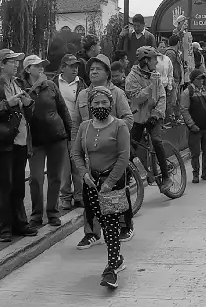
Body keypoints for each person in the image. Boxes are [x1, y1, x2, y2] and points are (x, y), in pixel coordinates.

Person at [71, 87, 130, 289]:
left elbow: (124, 157)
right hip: (91, 184)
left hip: (111, 184)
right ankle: (118, 257)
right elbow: (76, 153)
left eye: (104, 102)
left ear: (111, 104)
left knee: (112, 225)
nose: (100, 106)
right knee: (104, 224)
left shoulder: (119, 126)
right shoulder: (84, 127)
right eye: (96, 103)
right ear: (90, 105)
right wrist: (84, 174)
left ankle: (111, 269)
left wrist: (109, 182)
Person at [75, 54, 135, 249]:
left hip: (113, 153)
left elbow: (128, 118)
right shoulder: (84, 95)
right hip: (89, 154)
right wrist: (75, 147)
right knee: (89, 195)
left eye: (98, 69)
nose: (93, 72)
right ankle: (92, 232)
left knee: (117, 191)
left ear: (107, 73)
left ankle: (125, 225)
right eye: (91, 69)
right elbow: (77, 124)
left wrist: (113, 133)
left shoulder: (116, 93)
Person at [20, 55, 71, 229]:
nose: (42, 67)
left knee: (55, 177)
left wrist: (70, 134)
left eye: (43, 65)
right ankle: (36, 215)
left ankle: (53, 213)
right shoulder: (22, 88)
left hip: (57, 137)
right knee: (36, 178)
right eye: (37, 65)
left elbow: (63, 109)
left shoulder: (51, 85)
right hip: (36, 141)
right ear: (28, 69)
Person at [0, 49, 36, 242]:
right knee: (5, 187)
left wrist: (28, 104)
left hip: (20, 142)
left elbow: (26, 114)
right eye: (12, 62)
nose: (16, 65)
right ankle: (4, 227)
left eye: (16, 62)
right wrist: (8, 103)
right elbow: (6, 108)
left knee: (18, 187)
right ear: (2, 64)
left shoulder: (16, 83)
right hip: (5, 143)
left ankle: (20, 223)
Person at [125, 46, 171, 191]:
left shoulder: (155, 74)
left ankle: (166, 177)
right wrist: (151, 86)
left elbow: (162, 97)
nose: (156, 63)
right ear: (145, 60)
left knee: (157, 141)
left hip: (154, 116)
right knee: (129, 148)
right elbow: (136, 98)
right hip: (138, 118)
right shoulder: (131, 77)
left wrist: (156, 114)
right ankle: (126, 178)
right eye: (154, 59)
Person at [56, 53, 87, 211]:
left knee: (77, 163)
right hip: (60, 130)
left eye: (76, 66)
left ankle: (79, 195)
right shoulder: (54, 83)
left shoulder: (81, 83)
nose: (75, 69)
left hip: (77, 129)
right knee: (64, 167)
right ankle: (65, 197)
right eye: (71, 66)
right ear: (63, 67)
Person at [180, 69, 206, 184]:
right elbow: (184, 110)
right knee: (195, 153)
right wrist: (192, 125)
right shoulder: (187, 92)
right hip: (195, 129)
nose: (202, 81)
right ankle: (195, 174)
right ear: (193, 80)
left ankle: (205, 173)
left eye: (203, 78)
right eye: (199, 78)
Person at [156, 39, 176, 126]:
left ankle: (163, 122)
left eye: (164, 47)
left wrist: (169, 85)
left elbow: (170, 73)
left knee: (165, 104)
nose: (163, 49)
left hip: (165, 85)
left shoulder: (167, 59)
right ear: (156, 48)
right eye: (161, 47)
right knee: (157, 105)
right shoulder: (153, 59)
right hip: (156, 86)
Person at [164, 35, 183, 122]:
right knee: (172, 100)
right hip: (173, 80)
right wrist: (171, 81)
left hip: (176, 79)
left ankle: (176, 117)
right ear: (178, 42)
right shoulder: (170, 53)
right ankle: (170, 118)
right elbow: (168, 67)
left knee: (177, 99)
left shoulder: (174, 52)